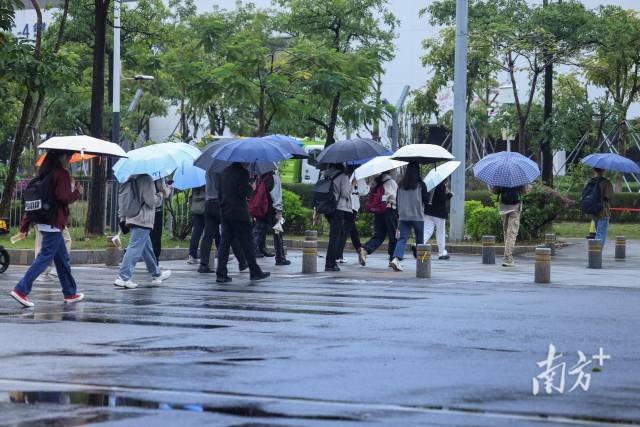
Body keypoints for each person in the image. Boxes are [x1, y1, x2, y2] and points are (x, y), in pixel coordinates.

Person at [10, 150, 85, 307]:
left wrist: (24, 226)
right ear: (62, 157)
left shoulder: (43, 174)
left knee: (62, 259)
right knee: (44, 258)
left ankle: (70, 293)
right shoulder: (61, 174)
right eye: (69, 157)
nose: (70, 160)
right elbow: (64, 197)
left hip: (43, 221)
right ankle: (21, 290)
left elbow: (32, 204)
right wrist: (77, 192)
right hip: (54, 222)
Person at [114, 174, 171, 289]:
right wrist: (162, 194)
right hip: (143, 219)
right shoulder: (147, 179)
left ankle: (156, 274)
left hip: (132, 216)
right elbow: (151, 202)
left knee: (147, 249)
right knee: (134, 248)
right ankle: (123, 277)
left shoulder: (131, 177)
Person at [216, 162, 270, 283]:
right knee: (248, 243)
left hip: (225, 212)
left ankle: (221, 273)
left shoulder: (223, 172)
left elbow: (219, 193)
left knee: (224, 244)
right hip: (239, 214)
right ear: (242, 161)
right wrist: (252, 187)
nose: (249, 163)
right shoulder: (242, 173)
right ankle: (255, 272)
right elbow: (242, 193)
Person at [198, 168, 247, 273]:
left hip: (208, 203)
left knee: (208, 235)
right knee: (231, 233)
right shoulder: (221, 170)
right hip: (220, 203)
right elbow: (220, 187)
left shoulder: (208, 169)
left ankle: (203, 264)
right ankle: (242, 261)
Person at [390, 163, 428, 272]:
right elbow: (426, 200)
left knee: (402, 239)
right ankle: (422, 264)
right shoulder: (421, 185)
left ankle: (396, 259)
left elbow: (397, 200)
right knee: (420, 241)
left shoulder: (401, 185)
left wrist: (399, 214)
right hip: (417, 216)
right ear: (418, 171)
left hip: (403, 216)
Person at [358, 170, 398, 266]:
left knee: (379, 235)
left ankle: (365, 249)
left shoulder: (377, 181)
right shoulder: (391, 182)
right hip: (389, 210)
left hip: (379, 211)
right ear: (390, 171)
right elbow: (393, 197)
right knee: (394, 235)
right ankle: (392, 259)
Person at [252, 169, 290, 266]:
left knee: (257, 234)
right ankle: (280, 258)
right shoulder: (275, 178)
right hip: (273, 211)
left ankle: (248, 257)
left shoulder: (261, 178)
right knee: (278, 234)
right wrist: (279, 211)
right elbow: (277, 196)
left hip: (262, 210)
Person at [491, 184, 531, 267]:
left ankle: (507, 256)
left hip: (503, 208)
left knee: (506, 232)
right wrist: (529, 185)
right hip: (515, 208)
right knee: (512, 233)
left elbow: (494, 191)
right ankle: (508, 259)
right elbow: (525, 191)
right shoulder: (519, 177)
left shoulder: (501, 176)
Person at [321, 163, 352, 272]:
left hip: (327, 207)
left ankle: (332, 260)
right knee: (335, 236)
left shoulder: (324, 174)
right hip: (338, 208)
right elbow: (345, 193)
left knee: (336, 234)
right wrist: (350, 185)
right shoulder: (343, 176)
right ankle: (330, 263)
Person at [337, 168, 368, 264]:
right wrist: (369, 185)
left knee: (352, 229)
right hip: (353, 206)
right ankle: (338, 255)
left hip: (342, 205)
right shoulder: (358, 176)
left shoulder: (343, 175)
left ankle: (359, 249)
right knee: (346, 230)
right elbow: (363, 191)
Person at [423, 179, 452, 260]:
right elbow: (441, 199)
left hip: (429, 211)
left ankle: (418, 245)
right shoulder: (441, 185)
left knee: (427, 230)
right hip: (439, 213)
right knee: (440, 233)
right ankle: (442, 252)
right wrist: (449, 195)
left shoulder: (430, 185)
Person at [588, 168, 614, 246]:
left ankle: (594, 254)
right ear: (603, 170)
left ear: (594, 170)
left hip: (593, 211)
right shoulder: (606, 182)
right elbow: (609, 197)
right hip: (603, 211)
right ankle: (596, 255)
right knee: (601, 234)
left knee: (598, 233)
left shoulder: (590, 181)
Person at [150, 178, 172, 263]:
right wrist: (168, 187)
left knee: (147, 236)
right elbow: (165, 193)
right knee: (155, 236)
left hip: (144, 210)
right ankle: (154, 260)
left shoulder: (142, 175)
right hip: (156, 209)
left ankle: (152, 261)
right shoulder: (159, 175)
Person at [187, 185, 206, 264]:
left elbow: (190, 196)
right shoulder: (207, 180)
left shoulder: (194, 183)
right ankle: (221, 253)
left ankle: (192, 255)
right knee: (213, 232)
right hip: (206, 208)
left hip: (196, 210)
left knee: (196, 233)